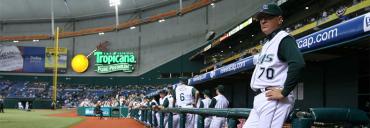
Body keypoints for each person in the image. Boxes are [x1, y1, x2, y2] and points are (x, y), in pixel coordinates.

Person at [243, 3, 305, 128]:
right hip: (261, 99)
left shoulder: (284, 39)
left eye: (268, 17)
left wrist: (285, 91)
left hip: (274, 99)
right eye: (261, 18)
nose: (263, 21)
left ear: (279, 19)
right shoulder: (267, 43)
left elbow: (298, 63)